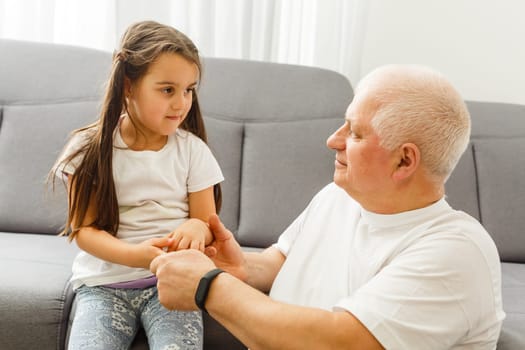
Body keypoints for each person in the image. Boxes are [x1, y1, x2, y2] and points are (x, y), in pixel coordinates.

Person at [150, 64, 505, 349]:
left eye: (355, 133)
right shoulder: (339, 196)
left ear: (404, 161)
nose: (332, 139)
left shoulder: (456, 253)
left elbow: (341, 340)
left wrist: (208, 286)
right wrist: (241, 266)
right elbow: (284, 259)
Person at [51, 21, 223, 349]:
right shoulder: (86, 149)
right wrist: (139, 256)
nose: (182, 102)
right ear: (128, 86)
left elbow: (208, 223)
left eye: (189, 89)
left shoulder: (192, 151)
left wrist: (195, 228)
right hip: (103, 287)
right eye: (168, 89)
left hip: (173, 284)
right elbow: (83, 231)